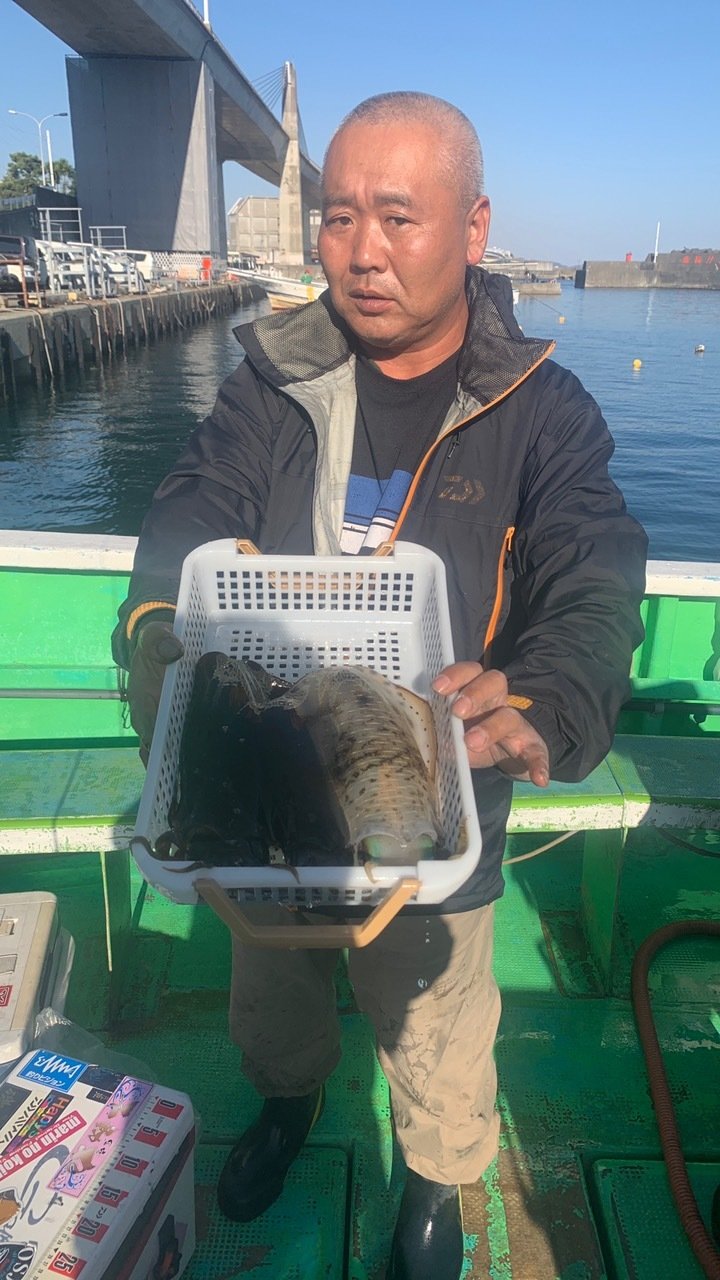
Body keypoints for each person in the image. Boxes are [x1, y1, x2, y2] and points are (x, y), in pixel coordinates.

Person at [113, 92, 647, 1280]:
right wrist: (154, 624)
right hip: (276, 757)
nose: (362, 249)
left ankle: (435, 1171)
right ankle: (289, 1098)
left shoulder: (545, 410)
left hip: (442, 784)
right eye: (340, 215)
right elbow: (195, 501)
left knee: (438, 1018)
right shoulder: (271, 379)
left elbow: (595, 569)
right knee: (273, 980)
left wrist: (546, 695)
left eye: (399, 217)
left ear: (473, 227)